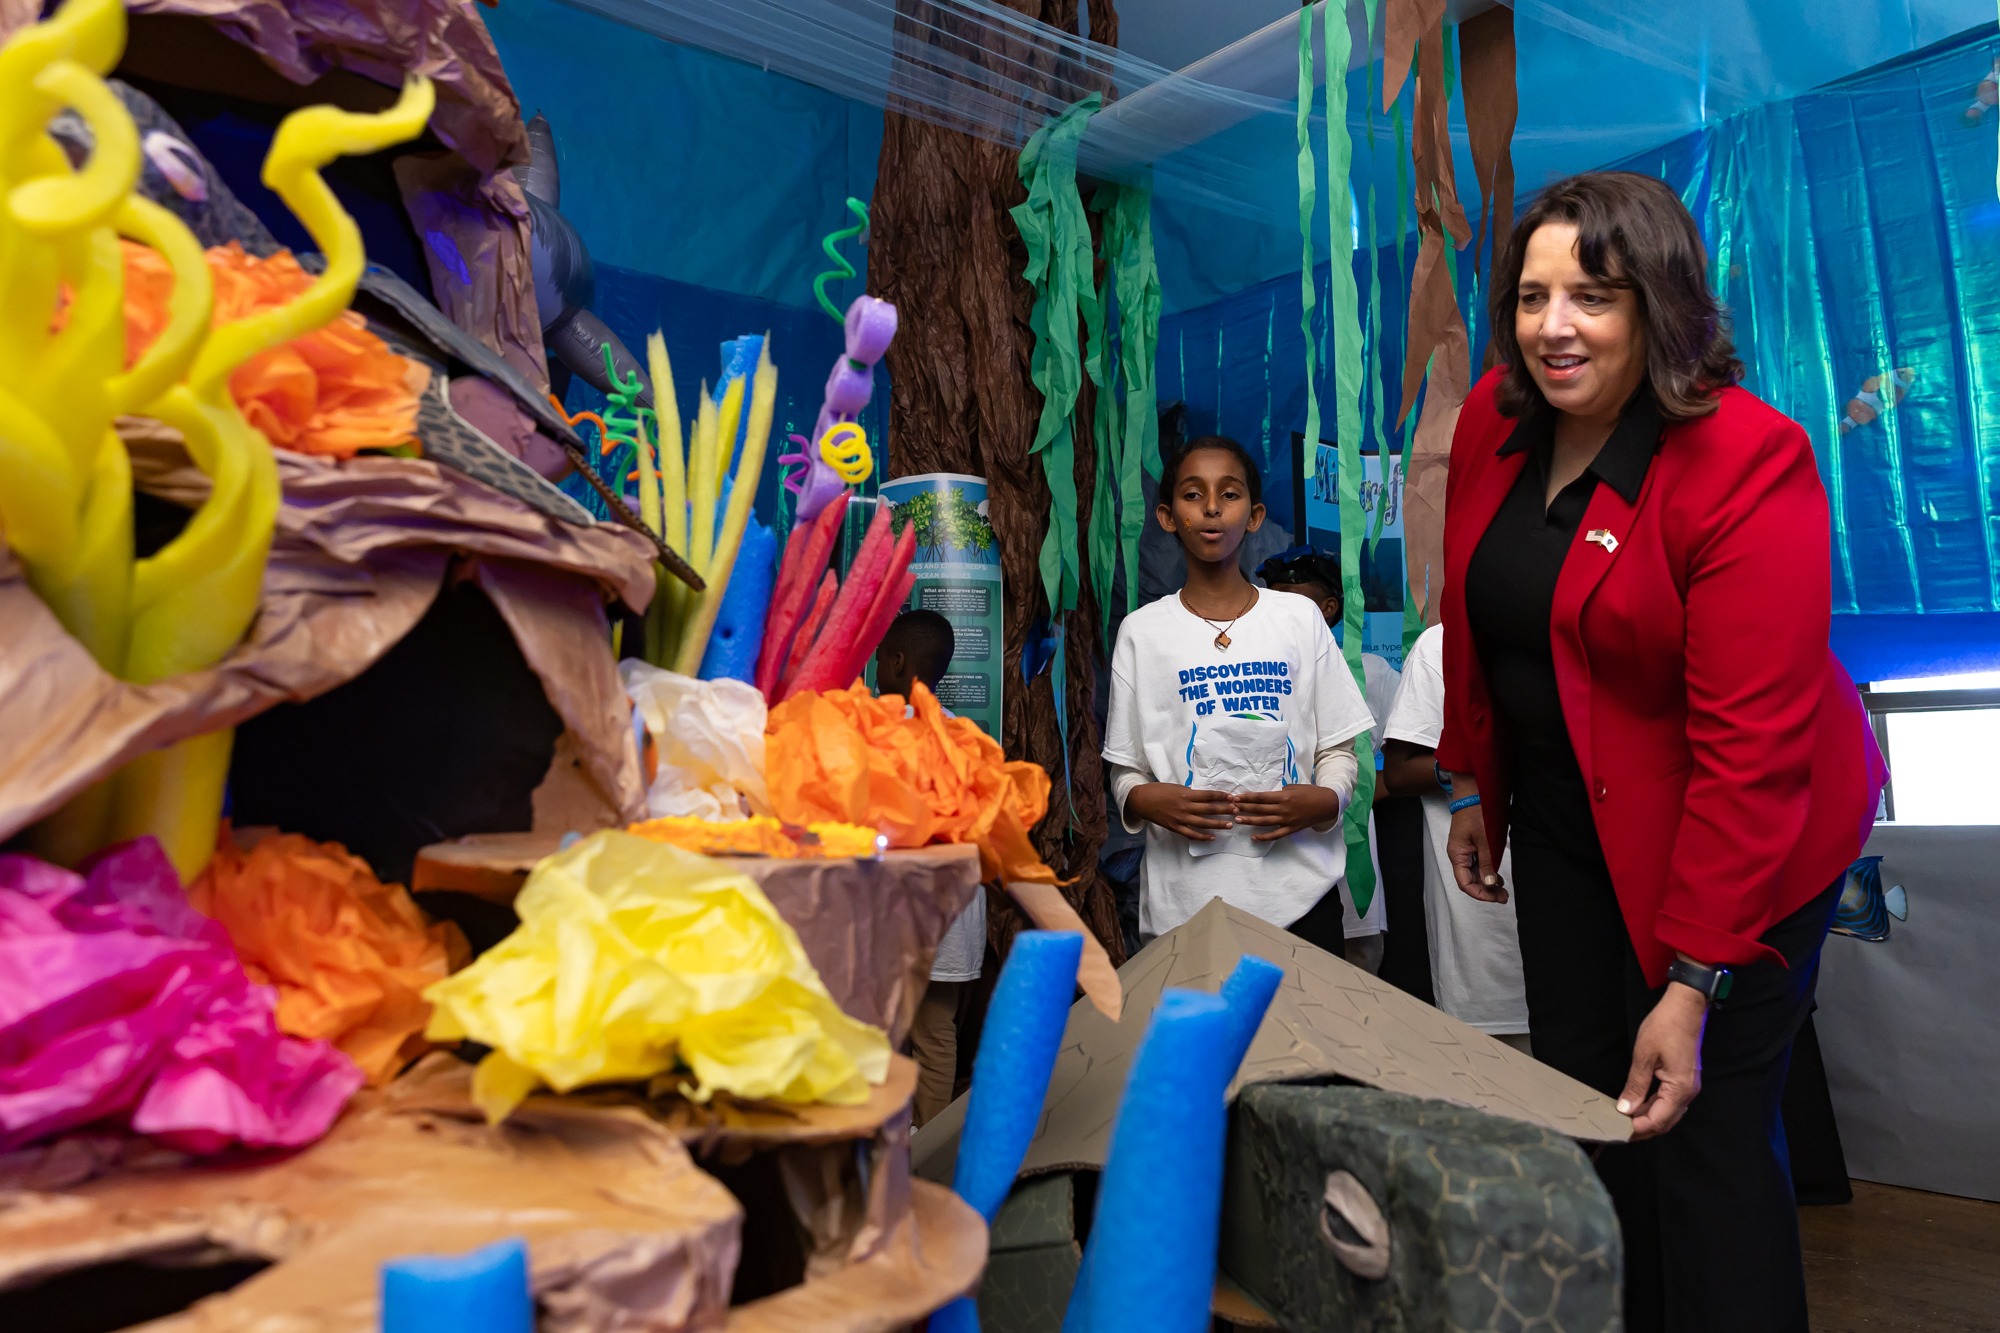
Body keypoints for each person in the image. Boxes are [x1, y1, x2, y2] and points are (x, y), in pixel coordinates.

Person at [1434, 172, 1885, 1332]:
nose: (1553, 327)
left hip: (1738, 836)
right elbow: (1477, 611)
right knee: (1591, 1111)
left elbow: (1751, 753)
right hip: (1568, 822)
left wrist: (1692, 982)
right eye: (1530, 296)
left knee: (1698, 1134)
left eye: (1591, 297)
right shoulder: (1494, 416)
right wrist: (1473, 775)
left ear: (1657, 303)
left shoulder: (1746, 459)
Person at [1102, 436, 1375, 943]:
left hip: (1300, 899)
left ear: (1254, 516)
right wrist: (1141, 799)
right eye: (1192, 494)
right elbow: (1126, 769)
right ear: (1167, 517)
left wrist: (1327, 799)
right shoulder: (1142, 632)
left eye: (1229, 494)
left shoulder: (1298, 618)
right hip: (1186, 906)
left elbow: (1338, 749)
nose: (1211, 508)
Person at [1380, 624, 1530, 1050]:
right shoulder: (1442, 644)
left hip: (1584, 919)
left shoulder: (1591, 629)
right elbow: (1398, 772)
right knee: (1492, 1070)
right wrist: (1470, 770)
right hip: (1484, 931)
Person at [1256, 545, 1395, 972]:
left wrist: (1345, 796)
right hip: (1277, 856)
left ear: (1329, 608)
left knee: (1357, 963)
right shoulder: (1257, 674)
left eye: (1294, 601)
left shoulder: (1371, 671)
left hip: (1352, 849)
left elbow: (1404, 759)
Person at [874, 608, 981, 1127]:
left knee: (888, 1036)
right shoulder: (964, 735)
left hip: (906, 918)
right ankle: (931, 1149)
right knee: (937, 1037)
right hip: (954, 920)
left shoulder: (883, 736)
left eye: (879, 660)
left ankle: (892, 1142)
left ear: (896, 663)